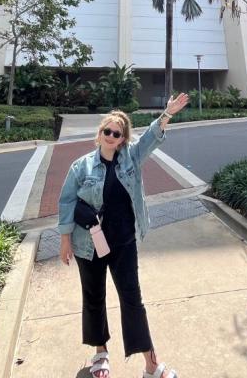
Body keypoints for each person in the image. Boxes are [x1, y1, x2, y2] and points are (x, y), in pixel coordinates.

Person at [58, 93, 190, 378]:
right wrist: (65, 240)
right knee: (93, 297)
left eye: (117, 133)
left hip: (124, 243)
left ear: (122, 138)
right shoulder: (81, 166)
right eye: (107, 130)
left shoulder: (130, 158)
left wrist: (167, 114)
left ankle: (151, 365)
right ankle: (101, 353)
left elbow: (151, 138)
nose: (111, 135)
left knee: (133, 300)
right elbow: (66, 201)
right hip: (88, 243)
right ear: (100, 133)